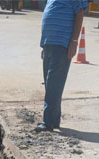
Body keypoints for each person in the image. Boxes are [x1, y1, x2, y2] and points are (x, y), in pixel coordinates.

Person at [37, 0, 89, 132]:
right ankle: (54, 120)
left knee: (53, 84)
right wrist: (44, 45)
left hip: (62, 44)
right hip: (49, 43)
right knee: (51, 85)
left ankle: (47, 122)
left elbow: (80, 14)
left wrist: (74, 41)